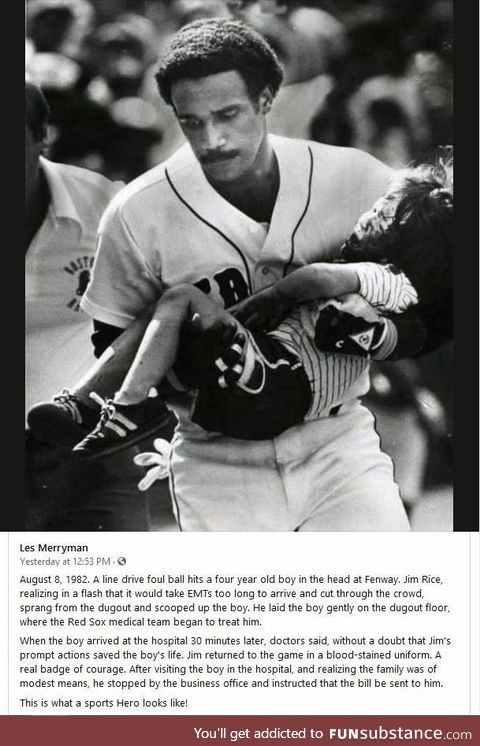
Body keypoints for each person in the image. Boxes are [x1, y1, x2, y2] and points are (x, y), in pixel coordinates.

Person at [62, 18, 415, 531]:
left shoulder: (354, 177)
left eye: (227, 114)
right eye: (192, 121)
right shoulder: (137, 210)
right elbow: (111, 333)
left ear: (267, 98)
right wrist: (181, 379)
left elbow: (429, 267)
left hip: (336, 442)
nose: (212, 138)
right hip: (216, 462)